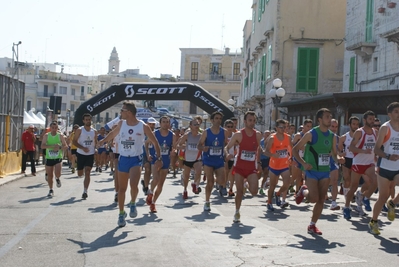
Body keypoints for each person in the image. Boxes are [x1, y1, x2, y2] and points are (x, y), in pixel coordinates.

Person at [98, 102, 162, 227]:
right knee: (122, 189)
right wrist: (103, 141)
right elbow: (113, 134)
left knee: (133, 185)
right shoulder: (121, 124)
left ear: (129, 112)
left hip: (135, 159)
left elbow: (155, 142)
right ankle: (121, 214)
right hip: (123, 159)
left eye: (122, 110)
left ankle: (132, 203)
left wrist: (158, 157)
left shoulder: (143, 126)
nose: (120, 112)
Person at [293, 108, 344, 235]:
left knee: (322, 199)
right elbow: (295, 149)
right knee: (313, 198)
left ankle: (312, 225)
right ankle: (303, 190)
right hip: (311, 170)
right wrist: (304, 163)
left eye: (330, 116)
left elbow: (333, 152)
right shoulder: (311, 134)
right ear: (320, 120)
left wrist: (338, 158)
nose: (329, 119)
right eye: (327, 117)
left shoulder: (332, 136)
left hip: (325, 170)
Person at [225, 111, 262, 222]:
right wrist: (227, 154)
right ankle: (237, 212)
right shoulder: (238, 135)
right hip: (239, 167)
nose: (252, 123)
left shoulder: (258, 134)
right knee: (239, 192)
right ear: (245, 121)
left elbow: (259, 148)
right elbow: (227, 147)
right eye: (250, 120)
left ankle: (247, 183)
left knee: (254, 192)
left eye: (254, 121)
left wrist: (259, 162)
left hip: (251, 168)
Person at [369, 102, 399, 234]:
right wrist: (388, 156)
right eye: (396, 112)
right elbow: (376, 149)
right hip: (384, 167)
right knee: (383, 196)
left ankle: (392, 203)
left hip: (398, 166)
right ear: (390, 114)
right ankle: (373, 221)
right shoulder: (385, 128)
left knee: (389, 196)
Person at [343, 110, 378, 219]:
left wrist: (375, 155)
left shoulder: (375, 132)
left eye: (373, 119)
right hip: (358, 162)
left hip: (369, 163)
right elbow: (351, 147)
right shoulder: (359, 132)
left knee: (376, 181)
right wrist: (363, 151)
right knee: (353, 187)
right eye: (370, 119)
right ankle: (347, 207)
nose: (372, 121)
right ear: (364, 120)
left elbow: (375, 146)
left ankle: (365, 197)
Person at [197, 111, 228, 211]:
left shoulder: (224, 132)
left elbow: (227, 144)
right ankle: (207, 201)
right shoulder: (206, 132)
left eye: (220, 119)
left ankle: (217, 184)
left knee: (222, 180)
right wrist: (203, 148)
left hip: (219, 159)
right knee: (209, 181)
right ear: (212, 120)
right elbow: (199, 145)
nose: (218, 120)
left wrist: (226, 153)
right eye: (216, 118)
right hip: (208, 160)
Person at [145, 116, 175, 212]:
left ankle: (153, 202)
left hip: (166, 160)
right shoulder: (154, 133)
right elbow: (146, 144)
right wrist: (148, 154)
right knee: (156, 179)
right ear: (160, 123)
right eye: (164, 122)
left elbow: (174, 147)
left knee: (161, 184)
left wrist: (174, 151)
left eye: (167, 122)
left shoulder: (172, 135)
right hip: (155, 159)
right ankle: (150, 192)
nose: (165, 124)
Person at [264, 119, 293, 211]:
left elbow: (291, 148)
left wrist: (291, 157)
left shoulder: (288, 137)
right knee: (272, 185)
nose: (283, 129)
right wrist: (273, 155)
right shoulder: (272, 138)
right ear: (276, 128)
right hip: (274, 166)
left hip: (284, 165)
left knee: (287, 183)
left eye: (284, 127)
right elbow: (266, 152)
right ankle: (269, 202)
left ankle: (278, 193)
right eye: (281, 127)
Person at [73, 113, 98, 200]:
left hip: (90, 154)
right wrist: (83, 148)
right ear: (83, 121)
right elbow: (74, 142)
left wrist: (96, 148)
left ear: (91, 120)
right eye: (86, 120)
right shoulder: (80, 130)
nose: (88, 121)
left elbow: (96, 142)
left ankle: (85, 191)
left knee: (88, 172)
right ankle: (80, 169)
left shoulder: (94, 131)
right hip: (81, 153)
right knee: (80, 174)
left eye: (89, 119)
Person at [176, 119, 202, 199]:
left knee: (199, 171)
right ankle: (185, 190)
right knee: (186, 176)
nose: (196, 126)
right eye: (194, 125)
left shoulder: (201, 136)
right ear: (190, 126)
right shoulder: (187, 135)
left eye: (197, 124)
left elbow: (204, 144)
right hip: (187, 159)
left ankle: (194, 184)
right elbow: (177, 145)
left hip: (197, 158)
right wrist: (182, 147)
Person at [41, 121, 68, 197]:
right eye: (52, 128)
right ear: (50, 128)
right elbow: (42, 146)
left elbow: (65, 146)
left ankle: (58, 178)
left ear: (57, 128)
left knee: (57, 173)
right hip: (49, 157)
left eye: (55, 128)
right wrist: (52, 146)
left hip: (58, 157)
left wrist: (59, 147)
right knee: (50, 175)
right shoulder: (46, 135)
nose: (54, 129)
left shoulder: (60, 136)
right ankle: (51, 189)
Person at [338, 116, 360, 201]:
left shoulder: (360, 136)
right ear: (349, 125)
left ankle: (352, 193)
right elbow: (338, 150)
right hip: (347, 159)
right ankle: (347, 197)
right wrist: (341, 154)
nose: (355, 126)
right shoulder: (344, 137)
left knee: (354, 181)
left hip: (357, 159)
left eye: (357, 124)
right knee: (347, 179)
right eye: (353, 124)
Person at [291, 119, 313, 194]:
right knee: (297, 176)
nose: (309, 128)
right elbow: (292, 146)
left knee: (306, 176)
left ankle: (306, 192)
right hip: (298, 158)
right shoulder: (298, 135)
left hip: (307, 158)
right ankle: (292, 188)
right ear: (303, 126)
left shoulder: (311, 136)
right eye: (307, 126)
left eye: (310, 126)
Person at [141, 117, 157, 195]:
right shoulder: (143, 132)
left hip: (154, 153)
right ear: (147, 124)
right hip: (144, 153)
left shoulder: (156, 133)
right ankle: (146, 187)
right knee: (147, 169)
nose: (151, 125)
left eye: (153, 124)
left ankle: (145, 183)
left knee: (152, 172)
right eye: (150, 124)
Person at [328, 119, 341, 210]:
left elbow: (337, 152)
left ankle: (333, 202)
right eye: (332, 126)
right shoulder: (322, 135)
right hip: (321, 163)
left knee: (335, 181)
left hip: (332, 162)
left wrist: (340, 157)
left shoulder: (337, 138)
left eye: (336, 127)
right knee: (324, 182)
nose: (334, 129)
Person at [224, 119, 237, 197]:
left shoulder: (235, 135)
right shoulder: (222, 135)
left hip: (233, 157)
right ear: (225, 127)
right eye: (228, 126)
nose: (229, 128)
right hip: (224, 157)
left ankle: (231, 189)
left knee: (232, 174)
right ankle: (224, 186)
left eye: (231, 126)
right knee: (225, 173)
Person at [259, 130, 272, 195]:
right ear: (263, 135)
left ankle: (261, 187)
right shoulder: (260, 142)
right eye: (266, 134)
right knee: (258, 175)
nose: (267, 136)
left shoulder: (271, 142)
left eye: (269, 135)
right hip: (260, 159)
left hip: (267, 160)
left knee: (266, 173)